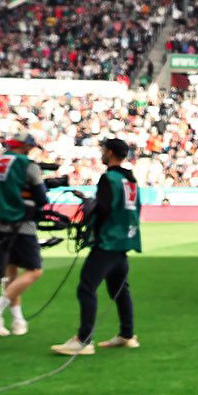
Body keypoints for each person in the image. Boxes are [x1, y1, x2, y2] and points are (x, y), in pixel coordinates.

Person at [54, 138, 142, 356]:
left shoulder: (109, 178)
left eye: (103, 150)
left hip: (107, 243)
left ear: (110, 152)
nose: (101, 153)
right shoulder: (130, 180)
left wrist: (87, 208)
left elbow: (103, 209)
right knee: (119, 290)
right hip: (123, 242)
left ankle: (83, 340)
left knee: (86, 288)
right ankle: (127, 335)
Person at [0, 133, 49, 337]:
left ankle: (17, 320)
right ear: (26, 147)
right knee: (34, 271)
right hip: (20, 224)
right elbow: (42, 197)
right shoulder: (27, 165)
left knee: (10, 273)